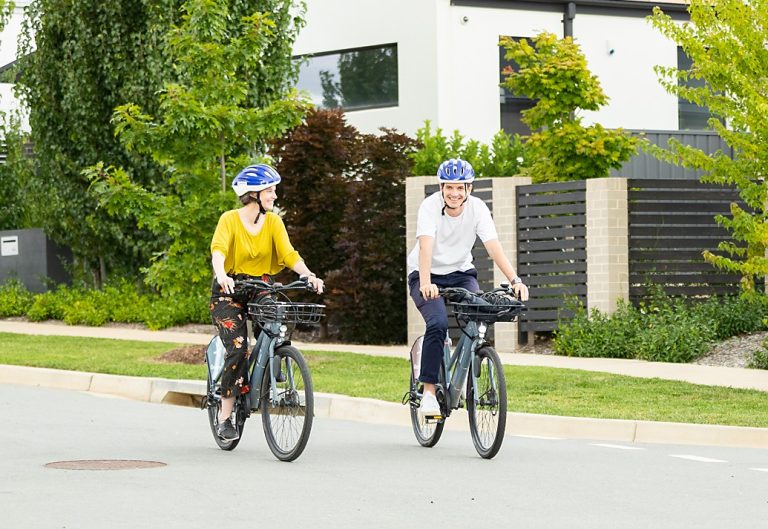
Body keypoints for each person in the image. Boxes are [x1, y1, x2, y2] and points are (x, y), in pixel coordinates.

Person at [407, 158, 529, 418]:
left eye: (460, 188)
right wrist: (426, 282)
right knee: (438, 323)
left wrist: (515, 280)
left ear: (469, 189)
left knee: (478, 317)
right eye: (449, 187)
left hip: (461, 273)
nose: (454, 193)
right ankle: (429, 392)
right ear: (441, 187)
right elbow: (426, 246)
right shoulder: (429, 207)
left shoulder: (478, 209)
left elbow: (493, 247)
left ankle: (463, 376)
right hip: (425, 273)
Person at [210, 163, 324, 441]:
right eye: (270, 190)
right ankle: (225, 415)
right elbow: (218, 251)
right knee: (239, 347)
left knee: (278, 322)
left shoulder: (273, 222)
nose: (274, 195)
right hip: (229, 289)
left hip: (260, 286)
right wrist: (222, 275)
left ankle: (273, 364)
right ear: (253, 194)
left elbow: (289, 254)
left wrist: (308, 275)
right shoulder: (229, 220)